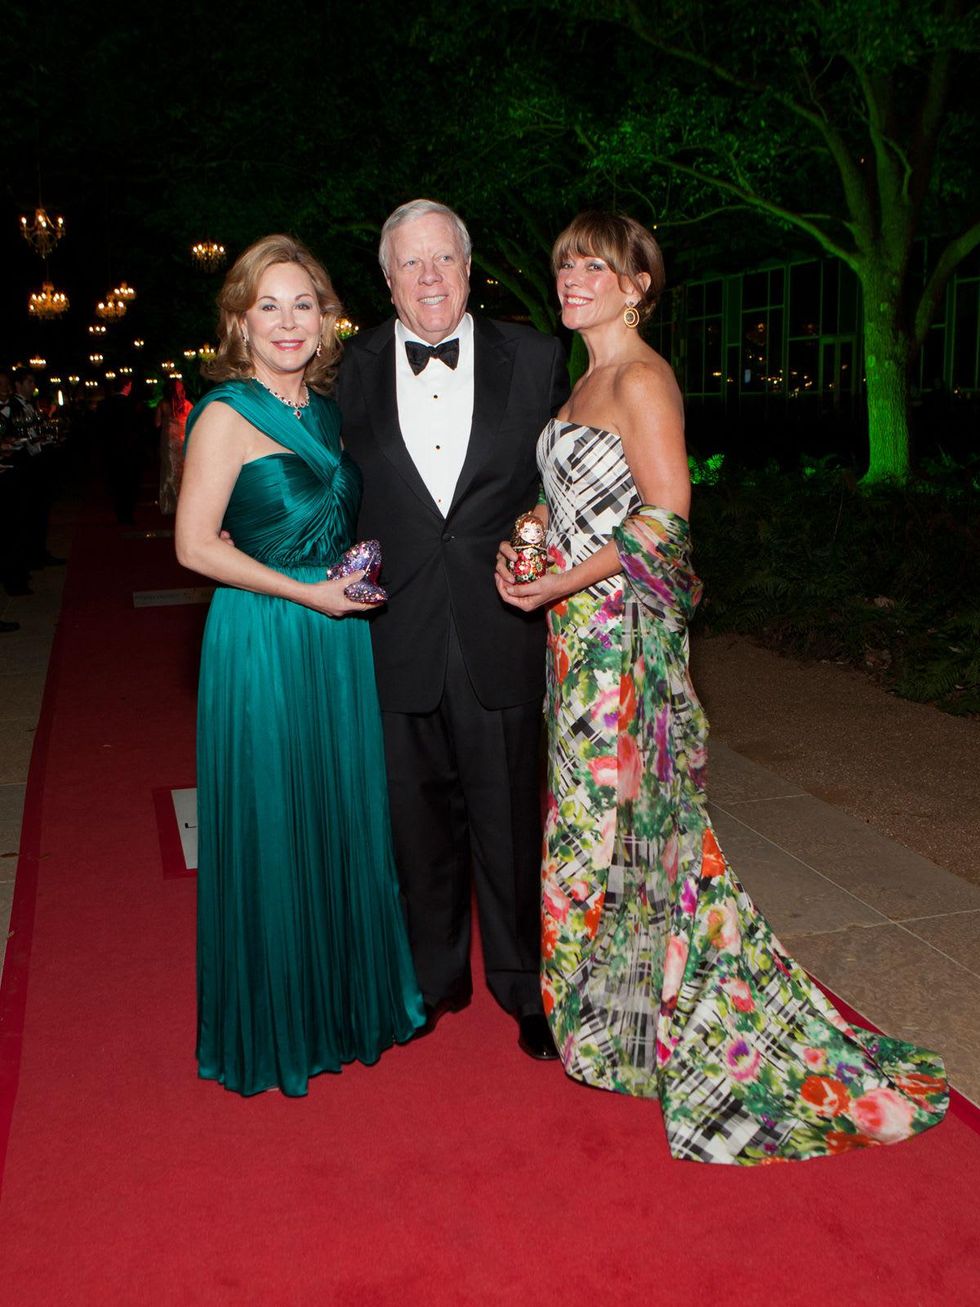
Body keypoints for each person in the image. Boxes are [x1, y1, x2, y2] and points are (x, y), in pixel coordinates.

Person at [496, 211, 948, 1163]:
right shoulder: (583, 377)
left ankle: (659, 1028)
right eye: (565, 261)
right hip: (577, 641)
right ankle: (616, 1029)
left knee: (622, 832)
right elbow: (576, 499)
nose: (573, 277)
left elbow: (666, 519)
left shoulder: (642, 377)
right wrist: (528, 540)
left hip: (620, 647)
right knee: (593, 833)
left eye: (595, 266)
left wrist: (561, 579)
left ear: (638, 285)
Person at [175, 234, 424, 1096]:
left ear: (326, 320)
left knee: (343, 810)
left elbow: (330, 516)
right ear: (240, 322)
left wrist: (346, 577)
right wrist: (306, 591)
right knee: (277, 822)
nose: (288, 322)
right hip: (264, 640)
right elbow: (194, 546)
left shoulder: (324, 412)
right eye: (268, 307)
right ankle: (278, 1025)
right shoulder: (224, 415)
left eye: (303, 305)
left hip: (336, 634)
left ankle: (347, 1007)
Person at [336, 199, 568, 1060]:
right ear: (387, 281)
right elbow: (334, 491)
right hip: (393, 631)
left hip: (499, 623)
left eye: (444, 259)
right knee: (415, 822)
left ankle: (524, 985)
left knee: (511, 820)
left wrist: (542, 543)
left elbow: (563, 479)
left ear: (471, 269)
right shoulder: (347, 368)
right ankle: (431, 981)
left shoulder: (539, 355)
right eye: (410, 263)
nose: (429, 277)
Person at [157, 376, 192, 514]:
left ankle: (170, 503)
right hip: (182, 439)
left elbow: (157, 423)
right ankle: (184, 504)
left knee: (169, 470)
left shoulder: (163, 404)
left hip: (169, 440)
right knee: (183, 471)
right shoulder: (187, 404)